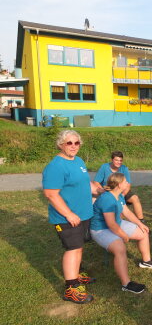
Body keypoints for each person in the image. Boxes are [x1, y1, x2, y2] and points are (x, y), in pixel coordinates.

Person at [42, 130, 96, 304]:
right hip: (67, 217)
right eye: (69, 143)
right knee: (72, 249)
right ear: (60, 144)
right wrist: (69, 214)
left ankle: (76, 275)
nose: (73, 146)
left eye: (76, 143)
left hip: (83, 214)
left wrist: (96, 189)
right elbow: (51, 194)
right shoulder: (56, 166)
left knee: (79, 247)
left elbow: (84, 181)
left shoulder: (78, 161)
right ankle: (71, 289)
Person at [91, 173, 152, 294]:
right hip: (101, 229)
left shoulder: (118, 195)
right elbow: (111, 224)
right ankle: (126, 284)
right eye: (125, 181)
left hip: (117, 223)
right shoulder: (107, 199)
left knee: (143, 233)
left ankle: (146, 261)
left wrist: (140, 224)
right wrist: (123, 235)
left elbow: (127, 212)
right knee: (120, 249)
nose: (128, 183)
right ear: (118, 185)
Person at [93, 151, 145, 222]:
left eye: (120, 160)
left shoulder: (124, 168)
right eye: (116, 160)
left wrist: (123, 195)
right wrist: (103, 191)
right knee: (95, 199)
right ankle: (113, 221)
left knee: (135, 198)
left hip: (122, 191)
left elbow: (128, 184)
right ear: (112, 160)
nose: (119, 162)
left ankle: (141, 220)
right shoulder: (104, 167)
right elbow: (96, 182)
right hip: (107, 191)